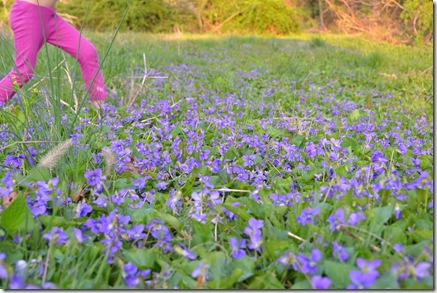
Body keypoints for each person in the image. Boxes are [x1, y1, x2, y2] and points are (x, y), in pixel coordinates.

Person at [0, 0, 106, 109]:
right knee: (24, 71)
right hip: (28, 14)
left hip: (49, 16)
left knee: (88, 52)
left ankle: (100, 108)